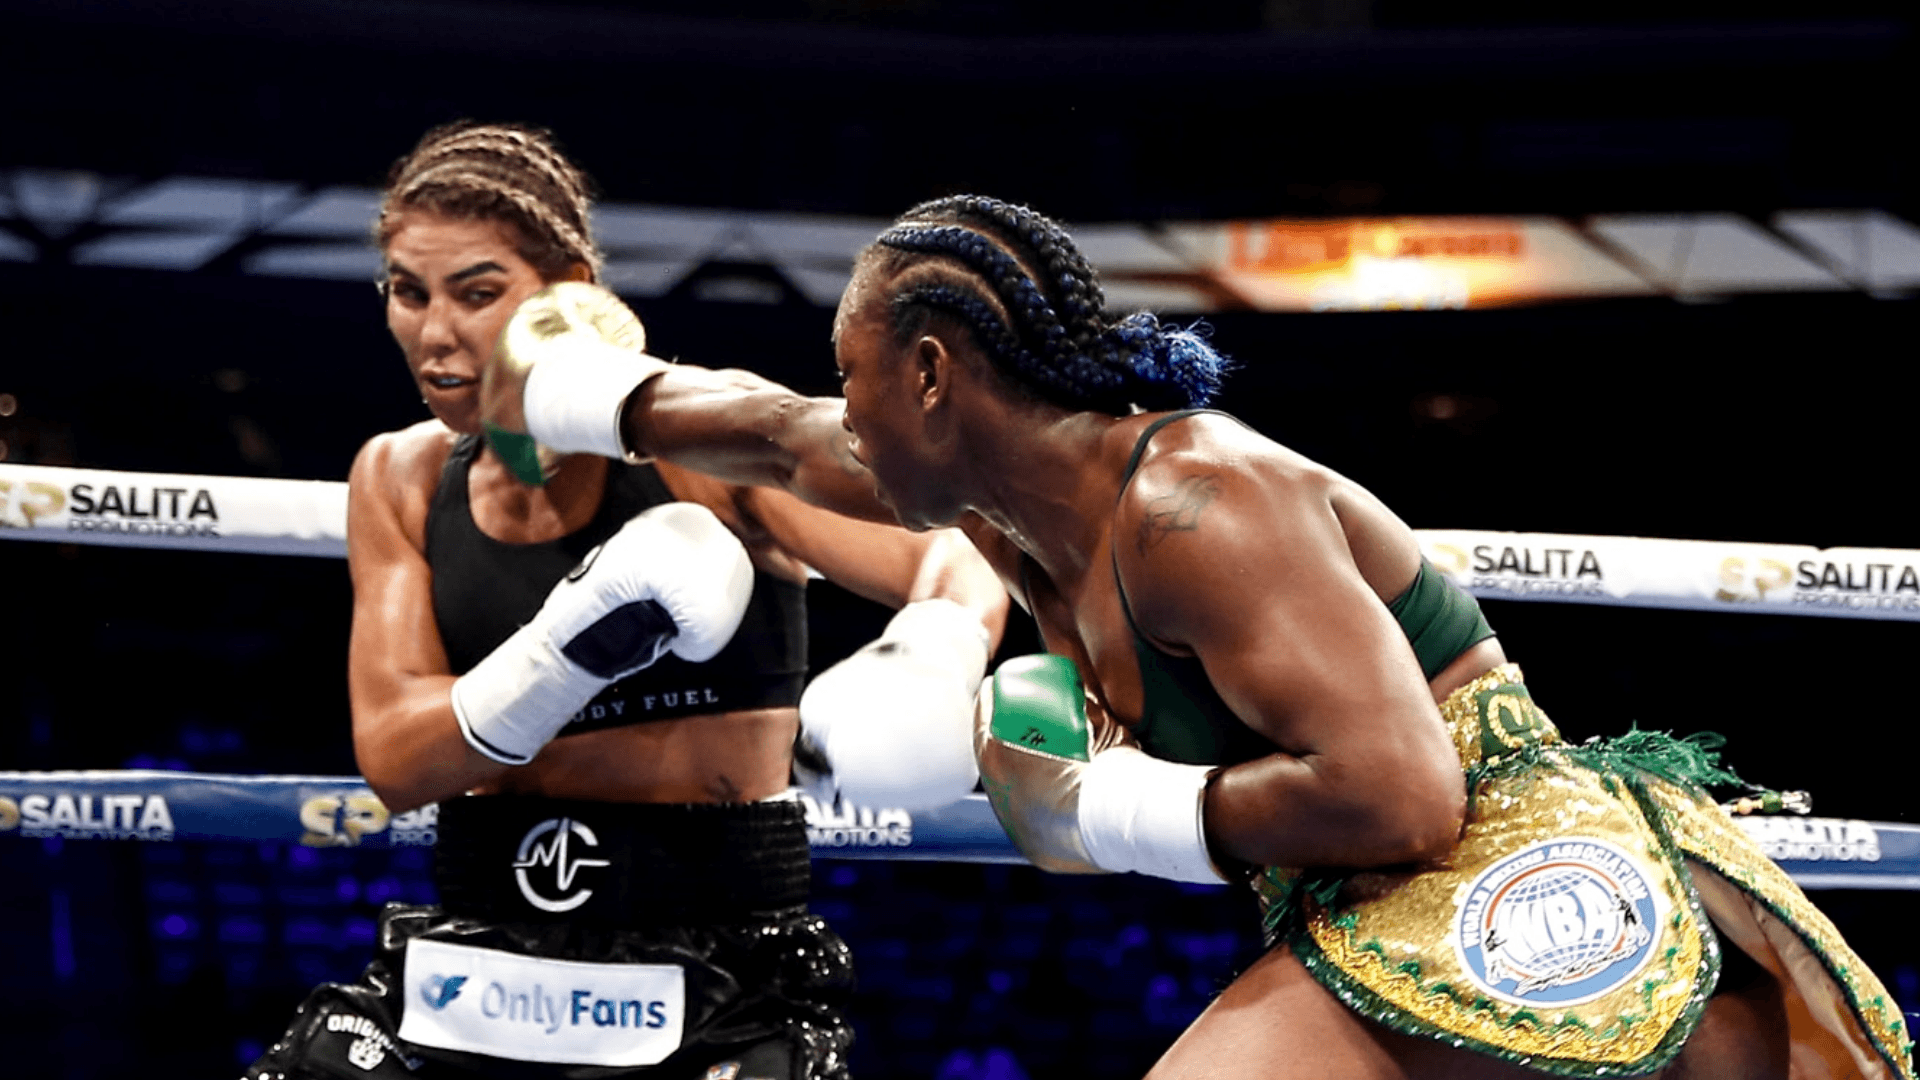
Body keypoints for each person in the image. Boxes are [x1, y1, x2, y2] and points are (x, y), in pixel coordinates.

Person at [489, 195, 1914, 1079]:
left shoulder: (1196, 506)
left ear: (929, 375)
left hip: (1495, 865)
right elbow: (769, 431)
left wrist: (1110, 807)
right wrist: (557, 389)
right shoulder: (1001, 499)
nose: (839, 405)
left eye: (851, 373)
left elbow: (1405, 795)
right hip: (1362, 902)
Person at [246, 125, 1008, 1080]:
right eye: (408, 292)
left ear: (566, 290)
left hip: (719, 972)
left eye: (476, 293)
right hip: (474, 959)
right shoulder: (399, 475)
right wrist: (580, 640)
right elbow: (398, 759)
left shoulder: (700, 443)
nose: (436, 333)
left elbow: (953, 547)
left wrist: (932, 653)